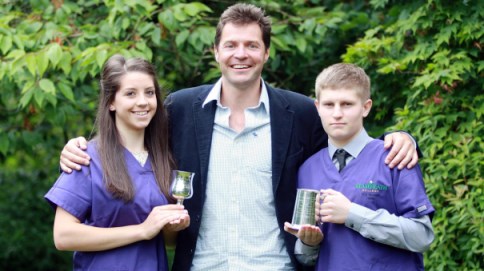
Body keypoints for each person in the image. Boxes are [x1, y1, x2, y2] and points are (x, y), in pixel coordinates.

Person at [58, 4, 419, 270]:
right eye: (231, 45)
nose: (240, 54)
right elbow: (130, 133)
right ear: (216, 51)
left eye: (251, 45)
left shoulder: (300, 113)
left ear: (265, 52)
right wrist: (78, 146)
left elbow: (345, 138)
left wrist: (398, 137)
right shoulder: (181, 108)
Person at [45, 55, 190, 270]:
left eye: (149, 93)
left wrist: (172, 226)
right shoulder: (86, 158)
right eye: (130, 93)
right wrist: (141, 230)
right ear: (111, 102)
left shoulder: (163, 159)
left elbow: (168, 243)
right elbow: (63, 236)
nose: (143, 101)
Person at [284, 63, 434, 270]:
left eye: (347, 104)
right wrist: (309, 243)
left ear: (365, 107)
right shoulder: (307, 170)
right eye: (329, 105)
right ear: (317, 108)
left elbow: (422, 236)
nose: (337, 113)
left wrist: (352, 214)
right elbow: (306, 258)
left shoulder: (395, 157)